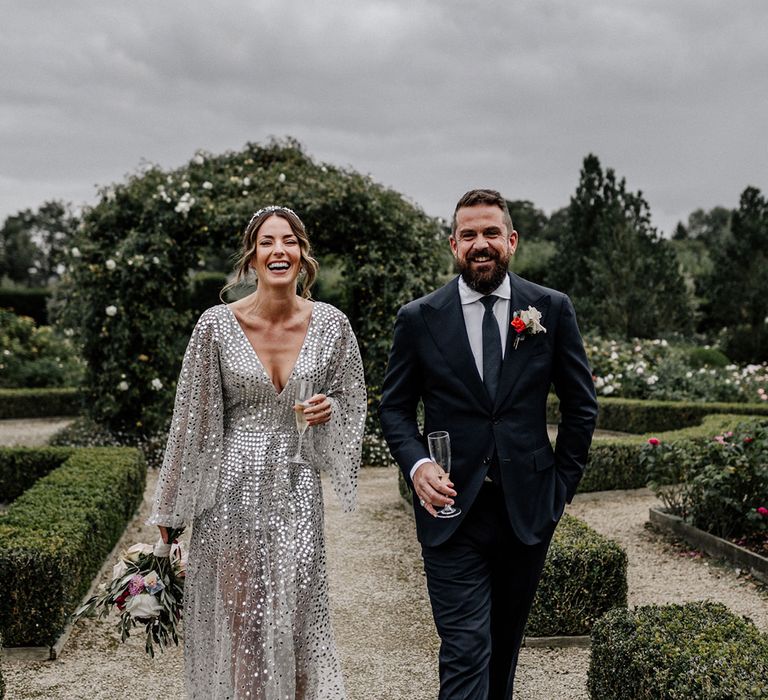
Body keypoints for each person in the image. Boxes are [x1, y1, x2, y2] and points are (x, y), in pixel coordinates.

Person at [379, 189, 598, 699]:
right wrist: (416, 467)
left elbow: (580, 405)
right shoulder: (419, 318)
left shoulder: (551, 309)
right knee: (465, 647)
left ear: (511, 241)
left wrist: (560, 486)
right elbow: (394, 407)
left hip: (528, 508)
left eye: (491, 233)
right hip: (450, 510)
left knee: (503, 652)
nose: (481, 243)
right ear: (454, 244)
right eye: (470, 235)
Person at [148, 205, 366, 699]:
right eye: (267, 242)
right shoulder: (215, 326)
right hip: (230, 496)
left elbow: (353, 395)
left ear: (302, 254)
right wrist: (172, 510)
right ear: (252, 258)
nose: (278, 250)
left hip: (296, 493)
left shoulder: (332, 324)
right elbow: (192, 420)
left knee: (297, 622)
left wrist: (328, 405)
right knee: (245, 626)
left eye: (288, 241)